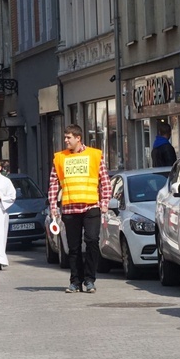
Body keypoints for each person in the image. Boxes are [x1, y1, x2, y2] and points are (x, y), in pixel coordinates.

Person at [48, 124, 112, 293]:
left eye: (68, 137)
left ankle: (90, 280)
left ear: (78, 138)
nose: (65, 140)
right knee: (73, 247)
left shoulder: (94, 155)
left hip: (91, 206)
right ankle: (75, 281)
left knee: (92, 241)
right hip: (70, 208)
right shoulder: (60, 158)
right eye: (65, 137)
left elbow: (104, 180)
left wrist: (105, 202)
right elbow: (54, 183)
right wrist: (53, 205)